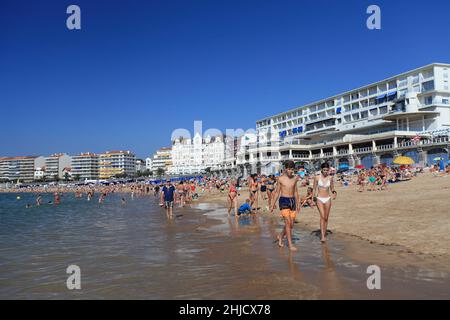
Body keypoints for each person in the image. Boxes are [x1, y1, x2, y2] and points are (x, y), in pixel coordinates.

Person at [271, 160, 301, 251]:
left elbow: (296, 191)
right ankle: (290, 244)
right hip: (283, 200)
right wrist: (272, 204)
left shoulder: (295, 178)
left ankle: (280, 236)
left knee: (291, 225)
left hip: (292, 201)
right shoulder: (280, 179)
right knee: (287, 223)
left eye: (292, 169)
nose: (290, 171)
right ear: (285, 169)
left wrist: (298, 203)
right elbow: (277, 192)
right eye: (289, 169)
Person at [313, 163, 337, 243]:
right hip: (319, 198)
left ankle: (325, 232)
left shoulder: (330, 178)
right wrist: (313, 198)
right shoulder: (316, 178)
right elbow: (314, 189)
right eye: (324, 170)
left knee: (326, 218)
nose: (326, 172)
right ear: (321, 170)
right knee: (322, 216)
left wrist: (334, 192)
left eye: (327, 170)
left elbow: (332, 188)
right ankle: (322, 236)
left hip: (327, 199)